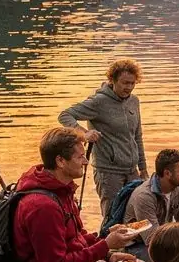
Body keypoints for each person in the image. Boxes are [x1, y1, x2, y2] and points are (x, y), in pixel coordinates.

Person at [13, 127, 133, 262]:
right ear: (60, 161)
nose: (86, 162)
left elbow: (77, 236)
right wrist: (104, 246)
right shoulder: (42, 207)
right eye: (80, 157)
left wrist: (108, 254)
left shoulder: (62, 190)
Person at [58, 58, 148, 218]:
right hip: (108, 172)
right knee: (112, 219)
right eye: (124, 83)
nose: (129, 87)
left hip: (131, 171)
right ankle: (107, 243)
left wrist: (143, 169)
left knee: (135, 217)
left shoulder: (134, 101)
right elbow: (65, 115)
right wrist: (83, 134)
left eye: (132, 83)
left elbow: (137, 136)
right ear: (112, 80)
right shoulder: (99, 102)